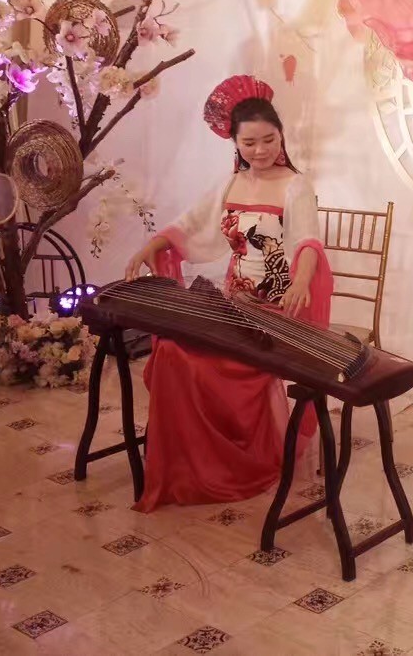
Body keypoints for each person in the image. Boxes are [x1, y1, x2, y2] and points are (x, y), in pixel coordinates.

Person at [123, 75, 331, 512]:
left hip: (276, 310)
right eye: (250, 142)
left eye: (269, 140)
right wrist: (150, 247)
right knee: (172, 353)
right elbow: (189, 223)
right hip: (234, 305)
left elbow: (309, 242)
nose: (261, 150)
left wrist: (300, 281)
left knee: (206, 363)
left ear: (281, 136)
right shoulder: (230, 184)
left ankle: (240, 457)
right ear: (235, 142)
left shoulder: (296, 185)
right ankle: (197, 458)